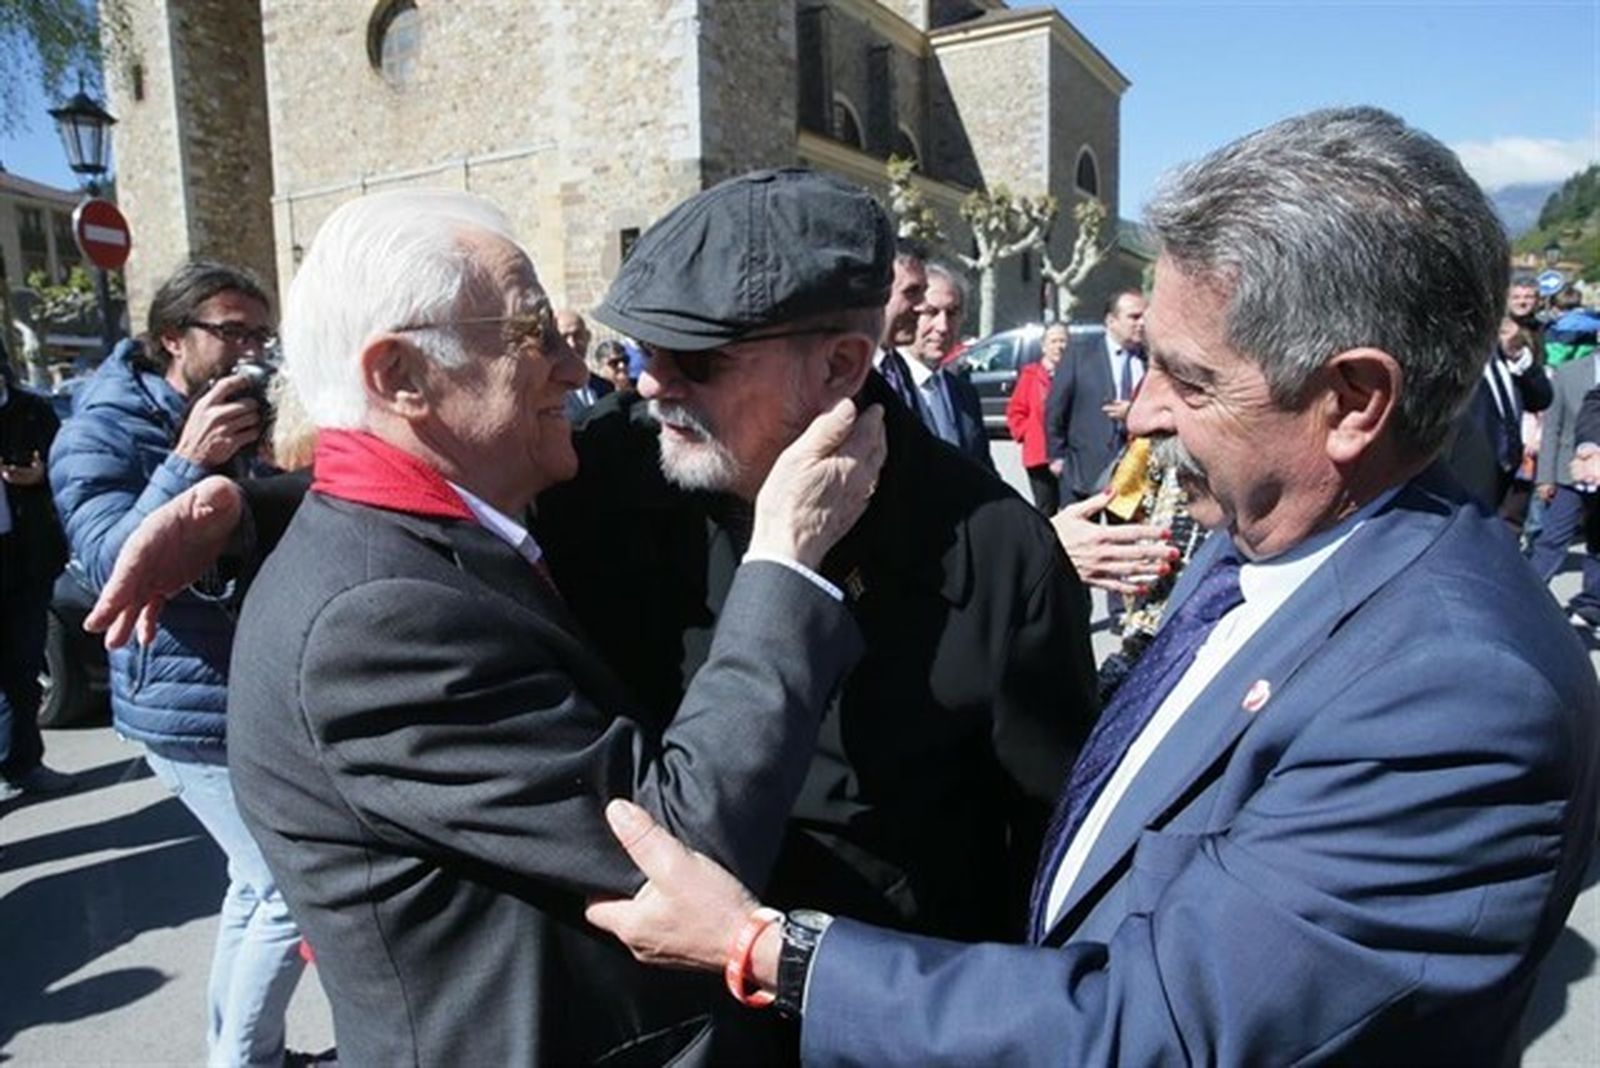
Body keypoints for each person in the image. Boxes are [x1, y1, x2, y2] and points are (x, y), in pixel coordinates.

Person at [584, 106, 1600, 1066]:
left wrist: (764, 947)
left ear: (1353, 401)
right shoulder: (1268, 541)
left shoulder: (1459, 695)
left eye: (1188, 380)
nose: (1138, 413)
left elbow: (1153, 1032)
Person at [90, 170, 1097, 956]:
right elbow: (439, 487)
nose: (648, 382)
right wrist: (243, 512)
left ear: (838, 365)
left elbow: (1045, 851)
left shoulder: (993, 551)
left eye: (696, 358)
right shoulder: (621, 464)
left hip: (869, 1005)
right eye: (644, 348)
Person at [223, 189, 884, 1065]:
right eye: (532, 333)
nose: (574, 369)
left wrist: (238, 509)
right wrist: (787, 558)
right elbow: (678, 854)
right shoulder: (375, 623)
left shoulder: (414, 540)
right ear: (402, 378)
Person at [47, 261, 311, 1067]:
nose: (250, 351)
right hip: (185, 703)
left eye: (260, 334)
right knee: (287, 890)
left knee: (253, 886)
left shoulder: (240, 409)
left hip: (248, 684)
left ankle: (240, 1053)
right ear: (172, 337)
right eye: (232, 332)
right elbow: (107, 565)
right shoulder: (100, 430)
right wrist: (188, 462)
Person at [0, 358, 71, 801]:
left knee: (23, 667)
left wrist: (40, 477)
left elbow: (68, 473)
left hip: (24, 557)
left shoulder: (33, 411)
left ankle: (23, 763)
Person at [1046, 288, 1147, 503]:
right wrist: (1057, 455)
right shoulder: (1080, 355)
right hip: (1082, 471)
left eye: (1145, 316)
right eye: (1134, 317)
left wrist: (1134, 413)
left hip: (1134, 474)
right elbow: (1056, 406)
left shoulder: (1152, 360)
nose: (1142, 323)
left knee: (1126, 527)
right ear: (1111, 321)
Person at [1530, 346, 1600, 626]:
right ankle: (1530, 595)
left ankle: (1591, 604)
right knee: (1552, 538)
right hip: (1569, 472)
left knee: (1597, 543)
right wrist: (1545, 477)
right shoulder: (1568, 372)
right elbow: (1552, 429)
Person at [903, 262, 992, 471]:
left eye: (952, 313)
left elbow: (984, 473)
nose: (943, 327)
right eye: (931, 312)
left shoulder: (964, 394)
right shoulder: (885, 386)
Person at [1008, 322, 1067, 512]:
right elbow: (1016, 410)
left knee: (1071, 509)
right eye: (1054, 341)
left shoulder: (1075, 373)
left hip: (1069, 455)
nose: (1059, 346)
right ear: (1043, 346)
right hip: (1039, 456)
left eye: (1063, 341)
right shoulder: (1031, 375)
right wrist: (1027, 432)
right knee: (1045, 509)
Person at [557, 308, 614, 416]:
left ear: (587, 337)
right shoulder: (545, 390)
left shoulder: (605, 388)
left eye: (577, 335)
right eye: (564, 337)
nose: (572, 344)